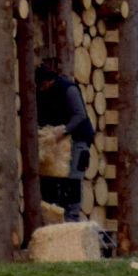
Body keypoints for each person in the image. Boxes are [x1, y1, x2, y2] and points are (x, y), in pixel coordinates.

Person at [35, 61, 95, 221]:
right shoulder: (43, 92)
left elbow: (80, 115)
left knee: (73, 179)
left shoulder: (68, 89)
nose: (41, 90)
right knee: (53, 180)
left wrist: (65, 130)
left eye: (43, 86)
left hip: (77, 139)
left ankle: (72, 217)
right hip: (56, 141)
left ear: (49, 81)